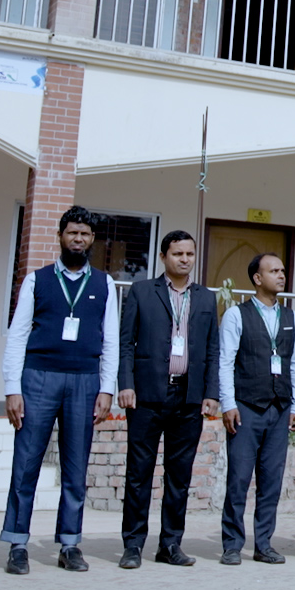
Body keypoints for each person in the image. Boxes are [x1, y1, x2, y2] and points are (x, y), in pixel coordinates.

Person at [0, 205, 118, 574]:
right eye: (72, 233)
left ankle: (70, 543)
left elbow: (110, 339)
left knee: (75, 465)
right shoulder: (36, 280)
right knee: (27, 462)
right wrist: (11, 387)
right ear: (61, 236)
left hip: (84, 380)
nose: (78, 239)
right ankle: (17, 542)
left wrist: (107, 388)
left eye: (84, 234)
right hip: (38, 377)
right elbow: (17, 334)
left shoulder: (104, 283)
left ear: (92, 239)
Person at [116, 229, 221, 569]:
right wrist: (126, 384)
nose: (185, 259)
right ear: (164, 257)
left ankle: (170, 544)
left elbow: (213, 350)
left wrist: (211, 393)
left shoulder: (205, 298)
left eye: (190, 254)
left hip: (188, 397)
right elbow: (125, 343)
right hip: (146, 395)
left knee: (179, 476)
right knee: (139, 473)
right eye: (178, 254)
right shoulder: (142, 291)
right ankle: (133, 545)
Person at [216, 253, 295, 566]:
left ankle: (264, 543)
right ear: (257, 278)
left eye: (282, 270)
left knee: (271, 481)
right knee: (238, 479)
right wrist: (228, 403)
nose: (281, 276)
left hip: (279, 409)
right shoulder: (236, 315)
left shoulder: (292, 318)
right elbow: (225, 361)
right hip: (246, 408)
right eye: (274, 271)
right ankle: (232, 544)